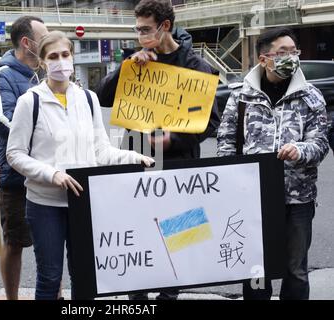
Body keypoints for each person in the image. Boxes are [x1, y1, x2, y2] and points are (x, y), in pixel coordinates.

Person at [6, 31, 154, 300]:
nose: (60, 61)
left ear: (72, 57)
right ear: (42, 62)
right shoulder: (30, 101)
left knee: (84, 275)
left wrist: (134, 158)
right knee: (50, 277)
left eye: (65, 55)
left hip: (83, 200)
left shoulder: (88, 99)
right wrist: (52, 174)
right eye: (53, 56)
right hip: (44, 204)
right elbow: (14, 154)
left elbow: (100, 150)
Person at [96, 0, 220, 300]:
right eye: (137, 30)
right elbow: (102, 96)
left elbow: (210, 123)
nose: (141, 36)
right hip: (136, 157)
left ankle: (169, 294)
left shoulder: (197, 67)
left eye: (146, 30)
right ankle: (136, 297)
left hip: (179, 163)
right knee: (136, 230)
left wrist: (173, 141)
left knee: (176, 237)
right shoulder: (136, 61)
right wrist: (126, 67)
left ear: (165, 27)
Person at [217, 27, 329, 300]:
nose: (291, 57)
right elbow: (226, 141)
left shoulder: (311, 97)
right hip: (253, 200)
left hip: (298, 199)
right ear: (264, 58)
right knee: (256, 270)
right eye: (282, 53)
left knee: (296, 271)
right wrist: (233, 179)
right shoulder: (241, 96)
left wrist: (299, 150)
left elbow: (321, 143)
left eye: (294, 52)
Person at [0, 15, 48, 300]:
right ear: (27, 42)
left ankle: (53, 295)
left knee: (50, 242)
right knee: (14, 242)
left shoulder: (46, 74)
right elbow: (2, 121)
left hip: (48, 173)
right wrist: (48, 135)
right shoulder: (3, 75)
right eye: (43, 38)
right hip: (15, 178)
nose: (48, 44)